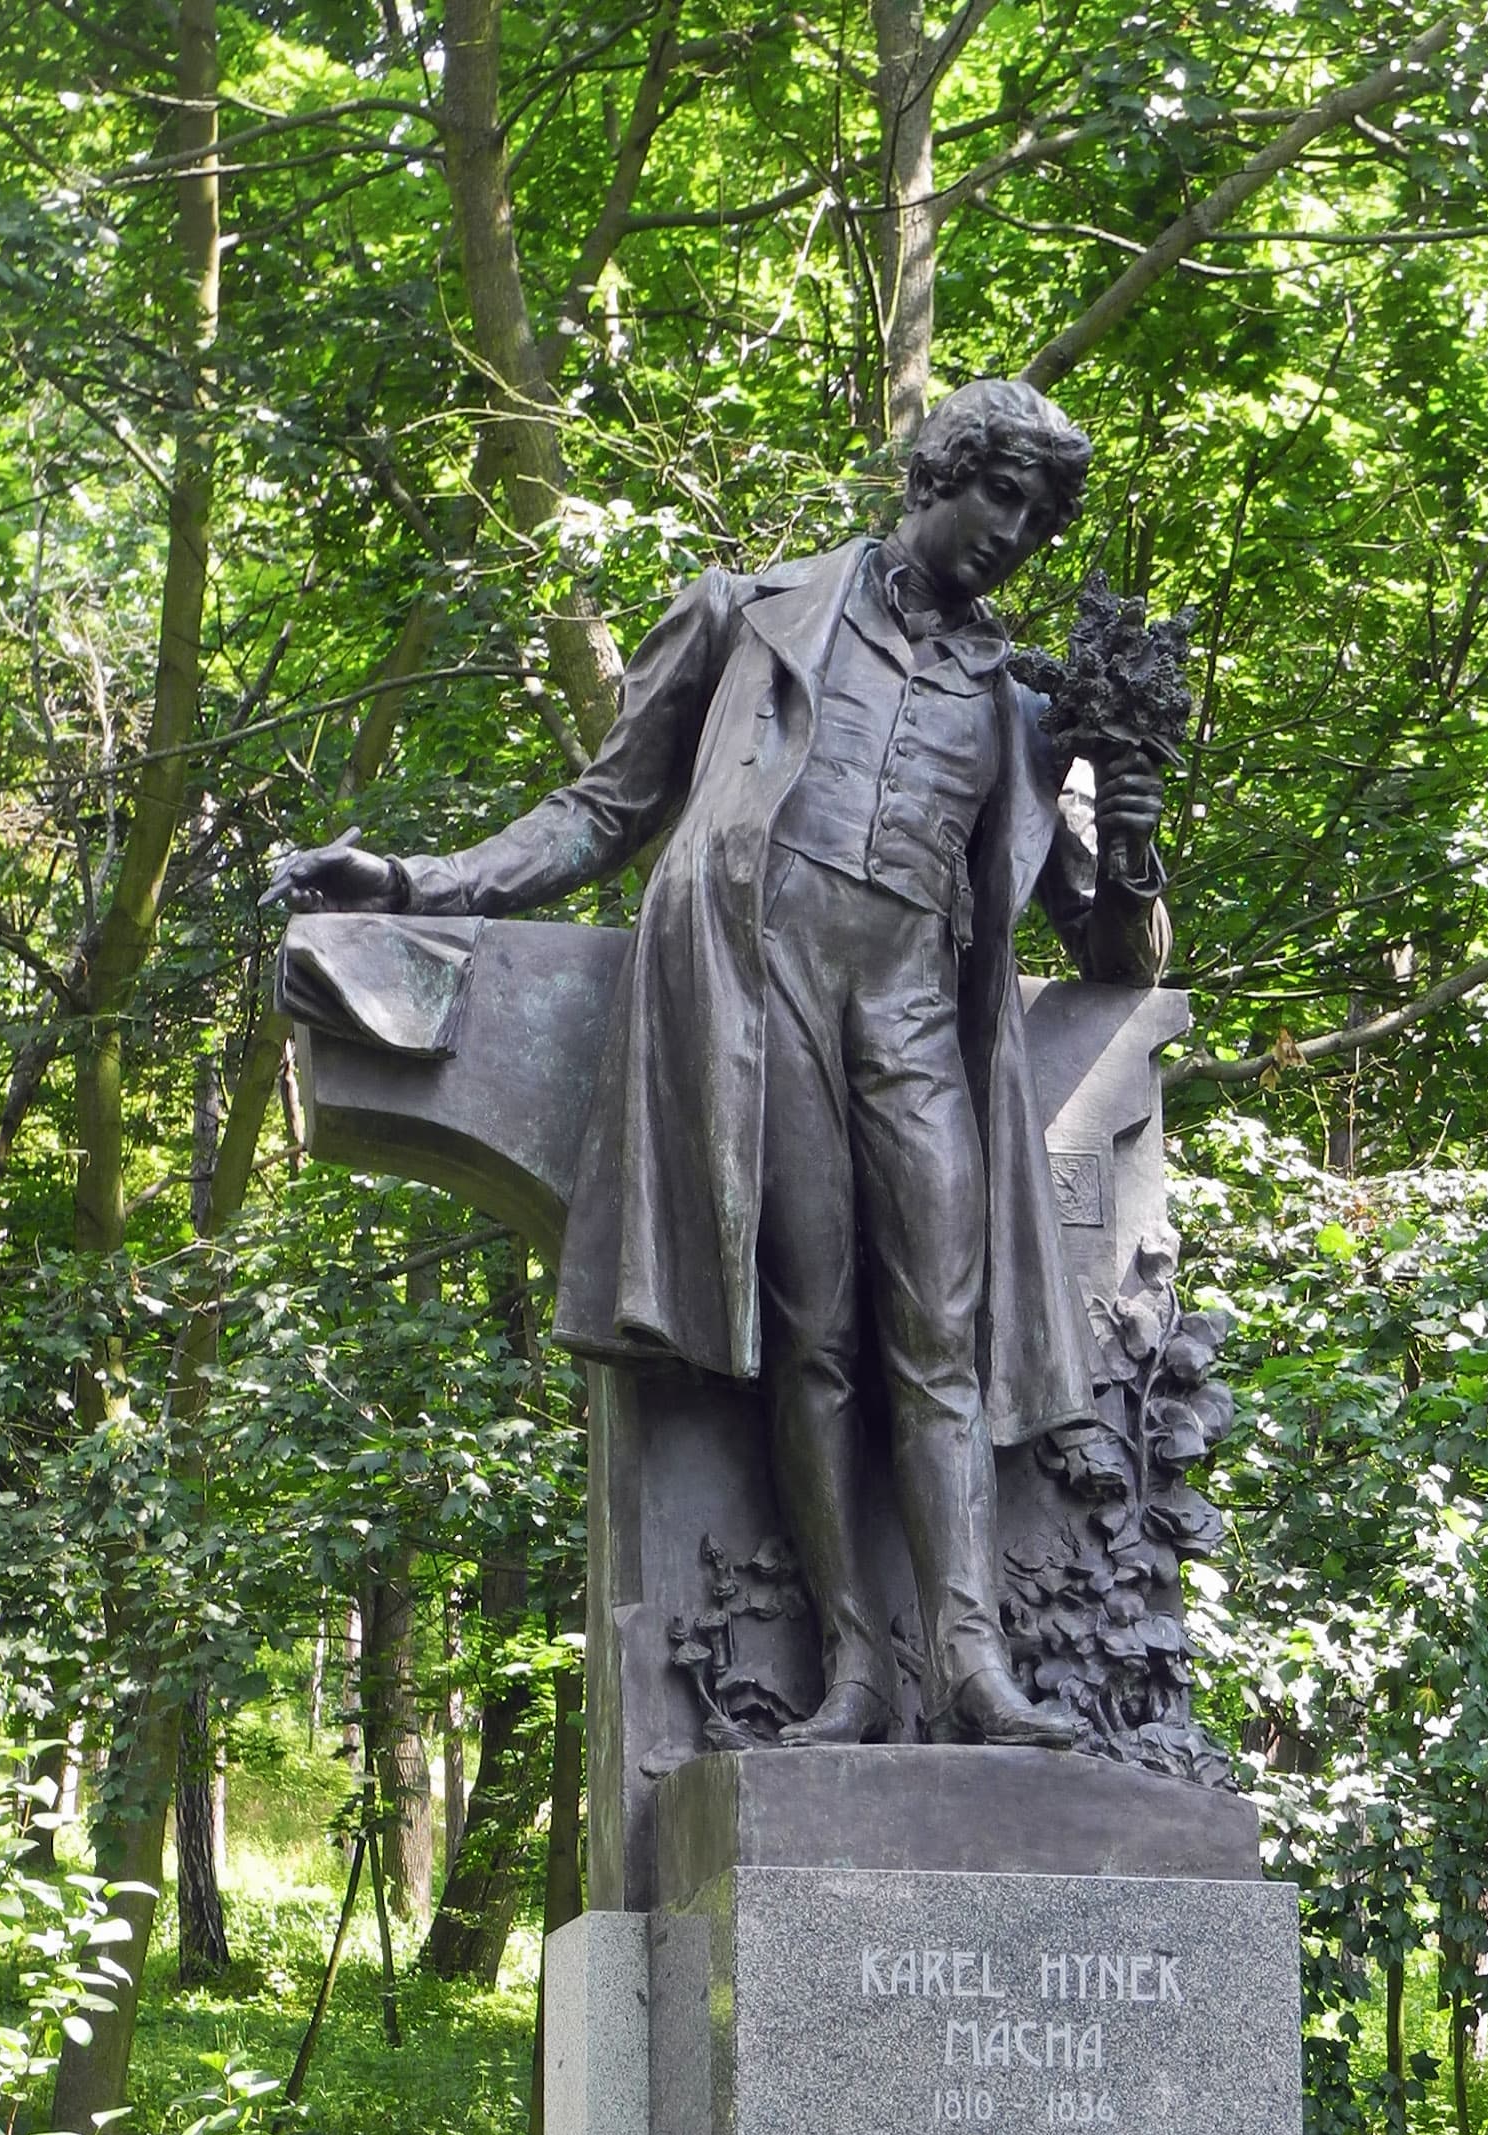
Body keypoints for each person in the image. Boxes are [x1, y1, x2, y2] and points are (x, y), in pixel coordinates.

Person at [268, 378, 1169, 1747]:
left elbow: (1118, 953)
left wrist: (1140, 823)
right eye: (1005, 495)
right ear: (941, 470)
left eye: (1042, 520)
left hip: (916, 1016)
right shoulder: (748, 614)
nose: (1018, 535)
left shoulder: (1025, 708)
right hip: (762, 999)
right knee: (813, 1336)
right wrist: (410, 877)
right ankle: (855, 1670)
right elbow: (602, 808)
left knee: (939, 1336)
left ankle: (974, 1672)